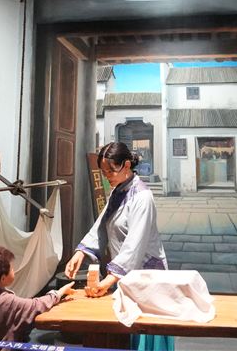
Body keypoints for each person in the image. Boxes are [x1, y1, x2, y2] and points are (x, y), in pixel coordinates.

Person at [65, 141, 172, 350]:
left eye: (110, 171)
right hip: (125, 274)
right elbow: (102, 225)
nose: (107, 176)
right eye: (103, 172)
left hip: (145, 275)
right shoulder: (119, 191)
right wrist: (81, 252)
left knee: (144, 330)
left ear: (126, 165)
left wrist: (108, 280)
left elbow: (134, 245)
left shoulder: (142, 197)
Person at [0, 246, 75, 347]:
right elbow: (37, 305)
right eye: (11, 268)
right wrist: (60, 292)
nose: (14, 270)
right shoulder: (8, 301)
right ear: (3, 278)